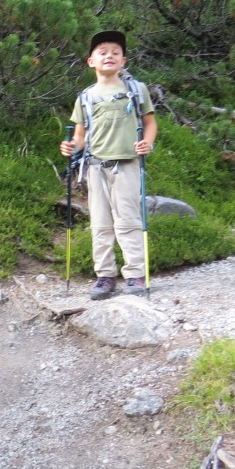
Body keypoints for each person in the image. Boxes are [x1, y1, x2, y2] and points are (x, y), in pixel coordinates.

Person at [60, 30, 157, 299]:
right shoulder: (85, 97)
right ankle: (105, 276)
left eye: (115, 52)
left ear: (123, 61)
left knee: (128, 220)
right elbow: (80, 136)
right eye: (102, 52)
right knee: (100, 223)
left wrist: (147, 144)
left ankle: (135, 274)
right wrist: (70, 147)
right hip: (94, 166)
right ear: (91, 61)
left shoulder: (136, 90)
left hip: (127, 164)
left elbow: (150, 123)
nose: (109, 56)